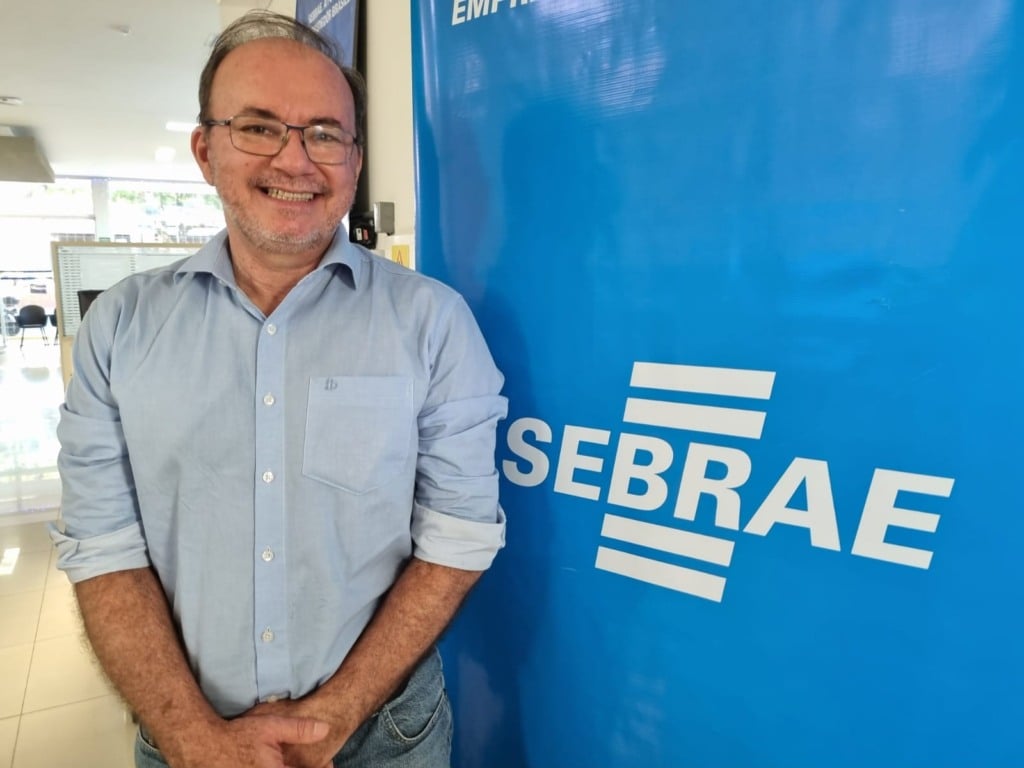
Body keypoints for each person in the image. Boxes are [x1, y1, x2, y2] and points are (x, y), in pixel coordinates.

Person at [52, 10, 506, 768]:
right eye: (259, 128)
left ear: (355, 160)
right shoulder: (120, 329)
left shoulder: (432, 323)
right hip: (186, 735)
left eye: (325, 133)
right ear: (205, 148)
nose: (296, 160)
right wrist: (194, 738)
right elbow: (103, 549)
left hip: (385, 734)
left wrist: (339, 710)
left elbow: (458, 537)